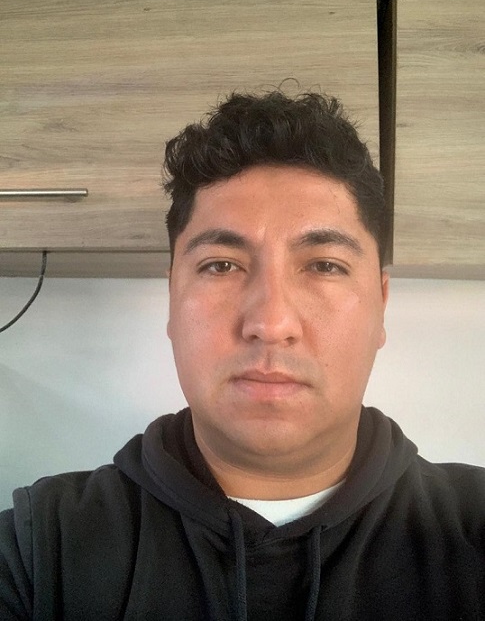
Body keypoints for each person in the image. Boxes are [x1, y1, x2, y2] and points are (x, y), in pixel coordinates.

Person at [0, 88, 484, 621]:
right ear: (172, 297)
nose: (270, 325)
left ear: (381, 305)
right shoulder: (38, 549)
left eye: (324, 265)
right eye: (221, 265)